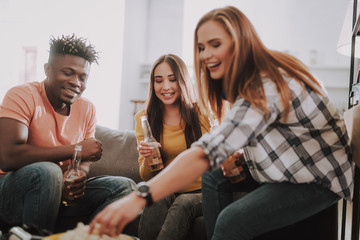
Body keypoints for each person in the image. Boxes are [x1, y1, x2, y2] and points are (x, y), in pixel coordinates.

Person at [90, 6, 354, 240]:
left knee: (231, 221)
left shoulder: (265, 84)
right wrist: (242, 158)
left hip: (317, 179)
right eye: (201, 47)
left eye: (215, 44)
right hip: (287, 169)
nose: (205, 54)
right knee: (214, 178)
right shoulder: (242, 85)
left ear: (241, 42)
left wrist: (139, 197)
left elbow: (206, 151)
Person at [0, 34, 134, 234]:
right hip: (13, 193)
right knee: (49, 171)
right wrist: (75, 149)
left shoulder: (87, 108)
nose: (76, 82)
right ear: (47, 69)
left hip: (57, 194)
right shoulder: (22, 95)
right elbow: (8, 157)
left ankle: (83, 238)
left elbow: (84, 160)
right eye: (68, 73)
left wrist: (79, 176)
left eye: (82, 77)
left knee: (125, 187)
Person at [134, 54, 210, 240]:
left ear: (183, 80)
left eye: (172, 79)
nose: (165, 87)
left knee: (183, 203)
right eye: (158, 81)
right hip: (168, 188)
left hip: (203, 191)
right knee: (154, 197)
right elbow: (145, 177)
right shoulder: (144, 118)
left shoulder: (201, 111)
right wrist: (147, 158)